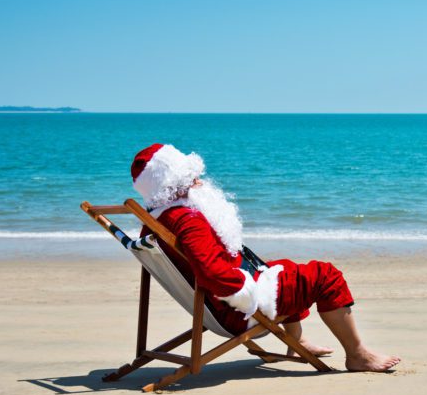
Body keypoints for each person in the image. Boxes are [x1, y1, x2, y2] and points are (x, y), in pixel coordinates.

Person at [130, 143, 400, 372]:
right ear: (173, 185)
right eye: (190, 177)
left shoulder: (156, 220)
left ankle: (298, 342)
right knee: (325, 276)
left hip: (218, 305)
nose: (199, 181)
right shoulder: (187, 220)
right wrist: (245, 292)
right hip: (238, 309)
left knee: (286, 268)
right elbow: (213, 275)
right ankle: (357, 355)